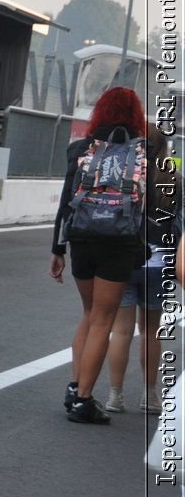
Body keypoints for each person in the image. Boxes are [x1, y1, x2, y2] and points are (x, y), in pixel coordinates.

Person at [49, 86, 178, 424]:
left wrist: (57, 248)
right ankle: (84, 400)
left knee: (90, 315)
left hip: (80, 239)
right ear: (135, 114)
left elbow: (65, 201)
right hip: (119, 244)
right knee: (105, 322)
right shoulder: (143, 152)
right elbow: (148, 206)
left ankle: (76, 386)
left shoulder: (80, 148)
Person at [103, 129, 177, 413]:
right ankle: (149, 395)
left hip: (125, 260)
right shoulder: (174, 180)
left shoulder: (125, 175)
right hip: (159, 264)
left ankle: (114, 396)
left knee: (121, 331)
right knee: (151, 330)